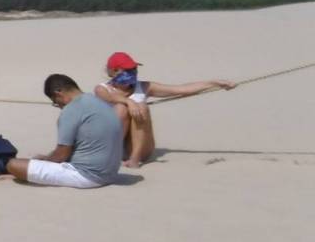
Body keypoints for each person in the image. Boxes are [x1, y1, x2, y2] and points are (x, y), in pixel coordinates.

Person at [93, 51, 237, 168]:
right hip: (111, 143)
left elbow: (181, 89)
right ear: (113, 71)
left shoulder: (144, 86)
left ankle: (135, 159)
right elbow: (110, 98)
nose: (133, 72)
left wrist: (214, 83)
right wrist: (128, 102)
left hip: (139, 148)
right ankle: (110, 155)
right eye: (128, 70)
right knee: (121, 109)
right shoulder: (102, 89)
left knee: (142, 106)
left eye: (134, 69)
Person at [3, 74, 123, 188]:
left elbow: (61, 155)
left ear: (58, 92)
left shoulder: (71, 109)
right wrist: (46, 158)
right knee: (40, 160)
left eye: (56, 102)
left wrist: (43, 163)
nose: (60, 107)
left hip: (87, 176)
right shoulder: (100, 103)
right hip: (111, 173)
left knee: (13, 164)